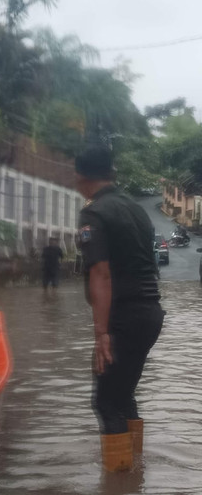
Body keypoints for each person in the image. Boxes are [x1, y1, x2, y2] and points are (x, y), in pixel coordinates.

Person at [76, 142, 164, 472]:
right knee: (123, 393)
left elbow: (101, 272)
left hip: (123, 317)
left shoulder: (94, 212)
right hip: (150, 313)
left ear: (80, 177)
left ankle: (117, 494)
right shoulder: (136, 208)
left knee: (105, 401)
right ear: (112, 174)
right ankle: (133, 477)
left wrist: (102, 333)